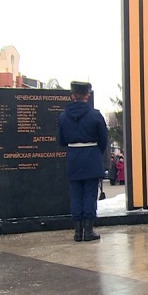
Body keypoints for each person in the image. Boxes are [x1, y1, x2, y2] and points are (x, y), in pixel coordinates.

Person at [58, 81, 108, 241]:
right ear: (87, 95)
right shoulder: (95, 115)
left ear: (72, 95)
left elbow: (61, 140)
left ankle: (78, 232)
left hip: (74, 157)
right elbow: (103, 139)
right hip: (91, 156)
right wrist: (95, 152)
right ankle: (88, 230)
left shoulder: (63, 116)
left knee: (76, 195)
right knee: (90, 195)